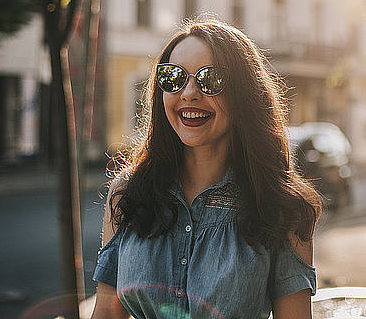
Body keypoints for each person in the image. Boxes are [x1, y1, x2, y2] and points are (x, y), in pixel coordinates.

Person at [90, 18, 322, 319]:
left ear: (243, 95)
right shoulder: (128, 193)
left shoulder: (283, 207)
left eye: (209, 79)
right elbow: (106, 314)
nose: (188, 93)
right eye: (173, 78)